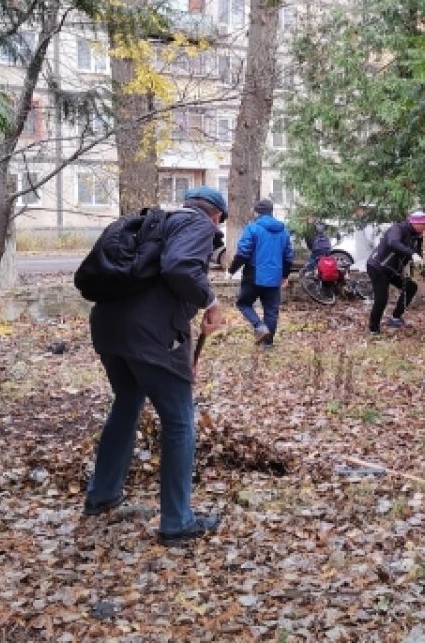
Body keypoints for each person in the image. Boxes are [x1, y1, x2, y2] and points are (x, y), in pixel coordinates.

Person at [83, 185, 227, 547]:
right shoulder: (199, 226)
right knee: (179, 421)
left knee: (127, 402)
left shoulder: (154, 224)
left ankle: (102, 496)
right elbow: (179, 267)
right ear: (216, 217)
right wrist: (210, 302)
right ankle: (177, 521)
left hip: (109, 328)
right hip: (149, 336)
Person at [228, 199, 295, 348]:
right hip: (275, 276)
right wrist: (284, 276)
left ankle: (259, 326)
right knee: (271, 310)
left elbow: (243, 253)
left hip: (254, 274)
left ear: (256, 212)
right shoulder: (283, 231)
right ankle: (268, 344)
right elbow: (289, 257)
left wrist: (232, 270)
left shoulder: (252, 228)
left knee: (243, 303)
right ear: (271, 212)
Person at [366, 210, 425, 334]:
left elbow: (417, 258)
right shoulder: (397, 229)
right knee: (381, 299)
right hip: (378, 267)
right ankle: (373, 329)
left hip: (392, 270)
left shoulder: (416, 236)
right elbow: (393, 242)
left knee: (411, 287)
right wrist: (412, 253)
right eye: (424, 224)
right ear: (415, 223)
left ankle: (395, 318)